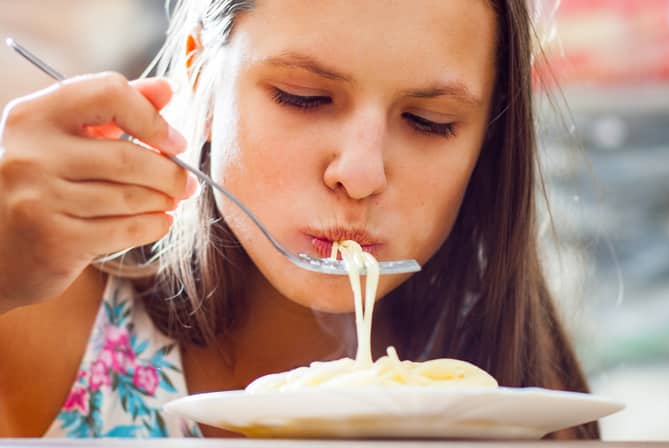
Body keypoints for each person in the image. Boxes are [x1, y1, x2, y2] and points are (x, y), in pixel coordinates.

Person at [0, 0, 599, 439]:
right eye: (303, 97)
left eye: (429, 121)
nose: (359, 174)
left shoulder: (516, 400)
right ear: (200, 76)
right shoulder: (47, 326)